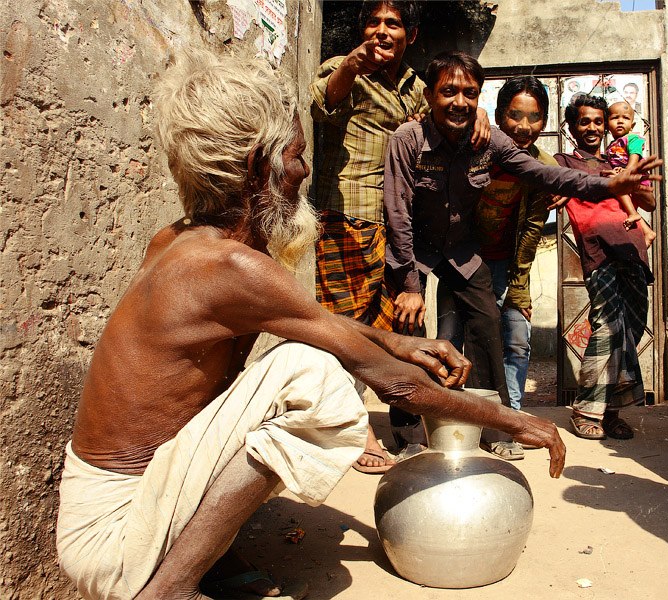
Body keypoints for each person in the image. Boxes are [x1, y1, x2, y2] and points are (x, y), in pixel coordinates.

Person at [54, 51, 567, 600]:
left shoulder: (180, 240)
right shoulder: (230, 268)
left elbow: (316, 320)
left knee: (296, 364)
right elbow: (395, 385)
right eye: (297, 156)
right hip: (117, 535)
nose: (303, 172)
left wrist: (396, 339)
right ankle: (169, 589)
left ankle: (205, 559)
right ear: (260, 165)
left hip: (122, 509)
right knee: (314, 373)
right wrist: (511, 419)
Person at [383, 51, 661, 458]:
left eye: (469, 94)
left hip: (463, 250)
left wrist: (608, 185)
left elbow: (546, 174)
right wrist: (410, 286)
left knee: (488, 329)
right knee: (409, 332)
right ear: (429, 96)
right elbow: (397, 213)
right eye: (448, 92)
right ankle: (410, 433)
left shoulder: (490, 141)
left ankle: (493, 428)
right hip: (415, 251)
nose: (459, 102)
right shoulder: (407, 140)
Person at [309, 0, 491, 472]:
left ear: (410, 34)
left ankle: (409, 429)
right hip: (349, 216)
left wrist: (481, 116)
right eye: (373, 22)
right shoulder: (342, 68)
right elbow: (323, 103)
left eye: (392, 23)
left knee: (402, 328)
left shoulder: (416, 85)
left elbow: (447, 115)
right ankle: (355, 430)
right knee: (345, 330)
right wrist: (351, 66)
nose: (382, 31)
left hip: (402, 224)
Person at [554, 94, 658, 441]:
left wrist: (630, 177)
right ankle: (586, 409)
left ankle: (610, 413)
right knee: (607, 326)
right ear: (571, 127)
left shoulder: (619, 158)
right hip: (599, 253)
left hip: (633, 250)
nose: (593, 128)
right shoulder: (564, 162)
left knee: (631, 329)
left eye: (598, 121)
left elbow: (649, 201)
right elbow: (554, 188)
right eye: (584, 121)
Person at [471, 76, 557, 411]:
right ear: (498, 116)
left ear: (544, 122)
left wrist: (519, 286)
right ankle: (479, 417)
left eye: (534, 117)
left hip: (510, 267)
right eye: (515, 115)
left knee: (518, 341)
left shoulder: (542, 166)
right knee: (475, 345)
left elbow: (533, 227)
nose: (524, 126)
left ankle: (512, 415)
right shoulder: (479, 151)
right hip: (470, 266)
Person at [604, 100, 656, 248]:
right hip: (626, 178)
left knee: (618, 189)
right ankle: (647, 231)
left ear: (632, 125)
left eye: (625, 118)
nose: (620, 121)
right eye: (615, 118)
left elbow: (635, 156)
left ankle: (635, 217)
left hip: (635, 177)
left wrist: (627, 171)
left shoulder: (632, 139)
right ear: (607, 125)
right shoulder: (611, 146)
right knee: (626, 207)